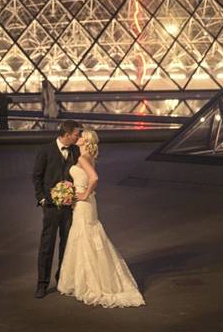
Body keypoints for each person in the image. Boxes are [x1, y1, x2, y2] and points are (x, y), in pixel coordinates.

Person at [57, 129, 144, 307]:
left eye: (81, 136)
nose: (78, 137)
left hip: (84, 204)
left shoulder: (82, 158)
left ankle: (93, 282)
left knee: (85, 237)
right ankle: (91, 278)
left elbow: (94, 178)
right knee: (86, 238)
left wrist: (83, 195)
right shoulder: (89, 157)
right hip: (85, 203)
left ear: (86, 140)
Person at [32, 120, 82, 299]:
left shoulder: (76, 151)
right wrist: (42, 199)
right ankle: (42, 284)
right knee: (47, 245)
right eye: (76, 134)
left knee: (67, 245)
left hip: (70, 207)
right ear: (67, 134)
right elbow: (36, 176)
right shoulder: (45, 150)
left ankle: (62, 279)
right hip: (51, 207)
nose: (79, 137)